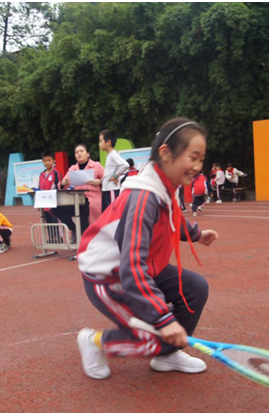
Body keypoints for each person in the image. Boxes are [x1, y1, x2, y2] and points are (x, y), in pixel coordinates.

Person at [76, 117, 218, 380]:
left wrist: (196, 234)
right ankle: (94, 341)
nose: (198, 166)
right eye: (193, 157)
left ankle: (166, 355)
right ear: (166, 153)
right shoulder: (144, 197)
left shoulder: (164, 182)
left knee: (195, 289)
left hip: (142, 268)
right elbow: (131, 266)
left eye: (202, 159)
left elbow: (172, 215)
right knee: (153, 333)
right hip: (107, 276)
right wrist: (163, 319)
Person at [58, 143, 104, 237]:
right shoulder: (73, 168)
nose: (79, 153)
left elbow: (108, 179)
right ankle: (75, 230)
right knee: (57, 209)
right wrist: (63, 183)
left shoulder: (96, 166)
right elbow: (61, 185)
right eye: (76, 152)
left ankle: (87, 236)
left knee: (83, 208)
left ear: (87, 154)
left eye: (81, 151)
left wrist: (99, 181)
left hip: (93, 198)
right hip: (76, 198)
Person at [38, 150, 65, 242]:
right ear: (42, 162)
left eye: (49, 160)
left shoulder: (56, 173)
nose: (47, 162)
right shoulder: (41, 175)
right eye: (45, 161)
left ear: (53, 161)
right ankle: (51, 238)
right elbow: (40, 187)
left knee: (56, 220)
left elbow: (60, 187)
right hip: (44, 203)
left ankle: (60, 237)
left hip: (54, 203)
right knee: (48, 221)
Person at [99, 130, 129, 212]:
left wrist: (115, 176)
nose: (99, 144)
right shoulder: (109, 155)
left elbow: (125, 165)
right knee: (106, 214)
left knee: (112, 213)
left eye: (101, 141)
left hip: (111, 189)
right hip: (107, 190)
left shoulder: (113, 154)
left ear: (108, 142)